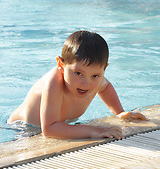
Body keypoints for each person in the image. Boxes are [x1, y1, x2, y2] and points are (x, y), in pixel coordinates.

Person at [7, 30, 147, 139]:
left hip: (56, 125)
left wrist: (119, 112)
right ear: (61, 64)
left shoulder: (96, 81)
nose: (86, 83)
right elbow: (49, 130)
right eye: (78, 73)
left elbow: (105, 87)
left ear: (104, 69)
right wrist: (94, 131)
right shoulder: (53, 82)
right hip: (22, 129)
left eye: (95, 75)